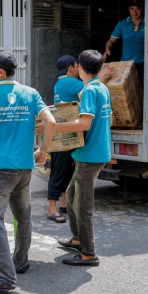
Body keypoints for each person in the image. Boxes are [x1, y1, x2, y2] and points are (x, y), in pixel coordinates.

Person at [0, 52, 56, 294]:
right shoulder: (31, 93)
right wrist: (43, 150)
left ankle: (5, 276)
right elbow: (51, 123)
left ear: (0, 72)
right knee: (23, 215)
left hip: (1, 169)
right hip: (24, 167)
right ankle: (20, 261)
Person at [52, 50, 112, 267]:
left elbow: (84, 123)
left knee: (83, 205)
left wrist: (56, 127)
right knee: (71, 193)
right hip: (94, 152)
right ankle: (78, 239)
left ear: (79, 66)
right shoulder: (102, 88)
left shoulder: (89, 91)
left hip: (90, 156)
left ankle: (88, 253)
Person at [46, 55, 84, 224]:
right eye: (78, 66)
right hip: (64, 134)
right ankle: (51, 209)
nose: (79, 69)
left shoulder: (59, 83)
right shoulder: (69, 82)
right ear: (71, 67)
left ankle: (63, 203)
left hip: (65, 134)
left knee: (67, 169)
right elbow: (92, 86)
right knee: (59, 171)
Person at [104, 0, 145, 83]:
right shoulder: (122, 24)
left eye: (138, 9)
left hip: (143, 64)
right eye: (132, 9)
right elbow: (111, 40)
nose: (135, 12)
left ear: (142, 8)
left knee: (142, 89)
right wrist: (107, 48)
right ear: (129, 9)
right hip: (126, 64)